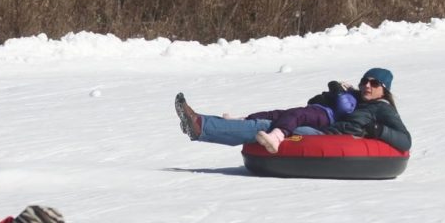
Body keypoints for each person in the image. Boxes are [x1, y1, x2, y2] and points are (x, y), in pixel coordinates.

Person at [175, 67, 411, 153]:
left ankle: (201, 126)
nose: (367, 86)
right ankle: (201, 122)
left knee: (271, 127)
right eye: (365, 81)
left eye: (374, 83)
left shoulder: (382, 109)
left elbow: (405, 141)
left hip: (331, 138)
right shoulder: (357, 99)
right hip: (324, 129)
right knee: (277, 117)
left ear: (384, 89)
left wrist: (378, 130)